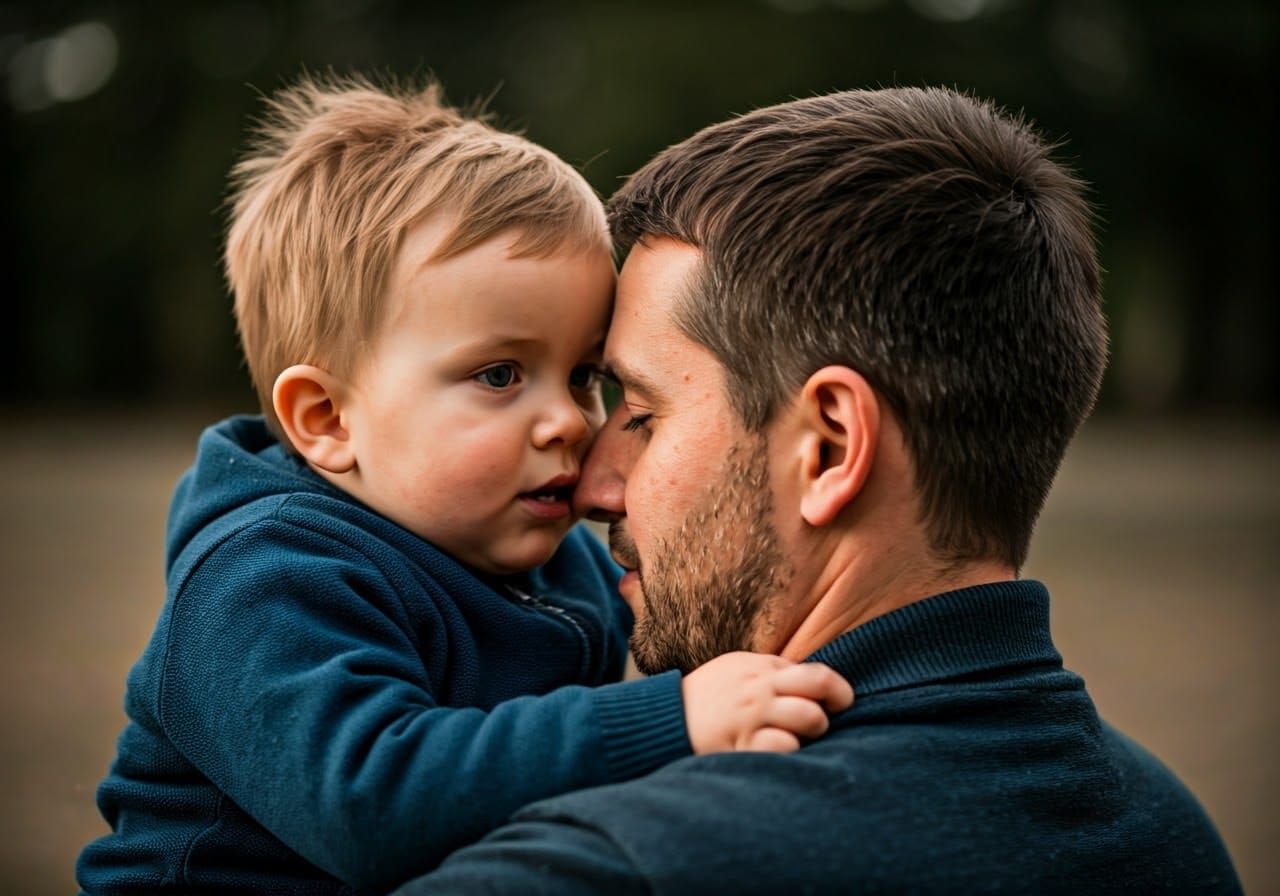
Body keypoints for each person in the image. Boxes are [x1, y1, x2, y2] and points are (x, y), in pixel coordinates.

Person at [393, 86, 1243, 894]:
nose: (591, 484)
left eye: (643, 414)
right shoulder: (1171, 834)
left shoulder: (612, 869)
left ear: (832, 447)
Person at [75, 76, 853, 895]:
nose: (570, 421)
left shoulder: (546, 554)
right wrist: (676, 720)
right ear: (327, 419)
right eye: (499, 373)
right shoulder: (264, 580)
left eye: (585, 373)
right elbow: (370, 804)